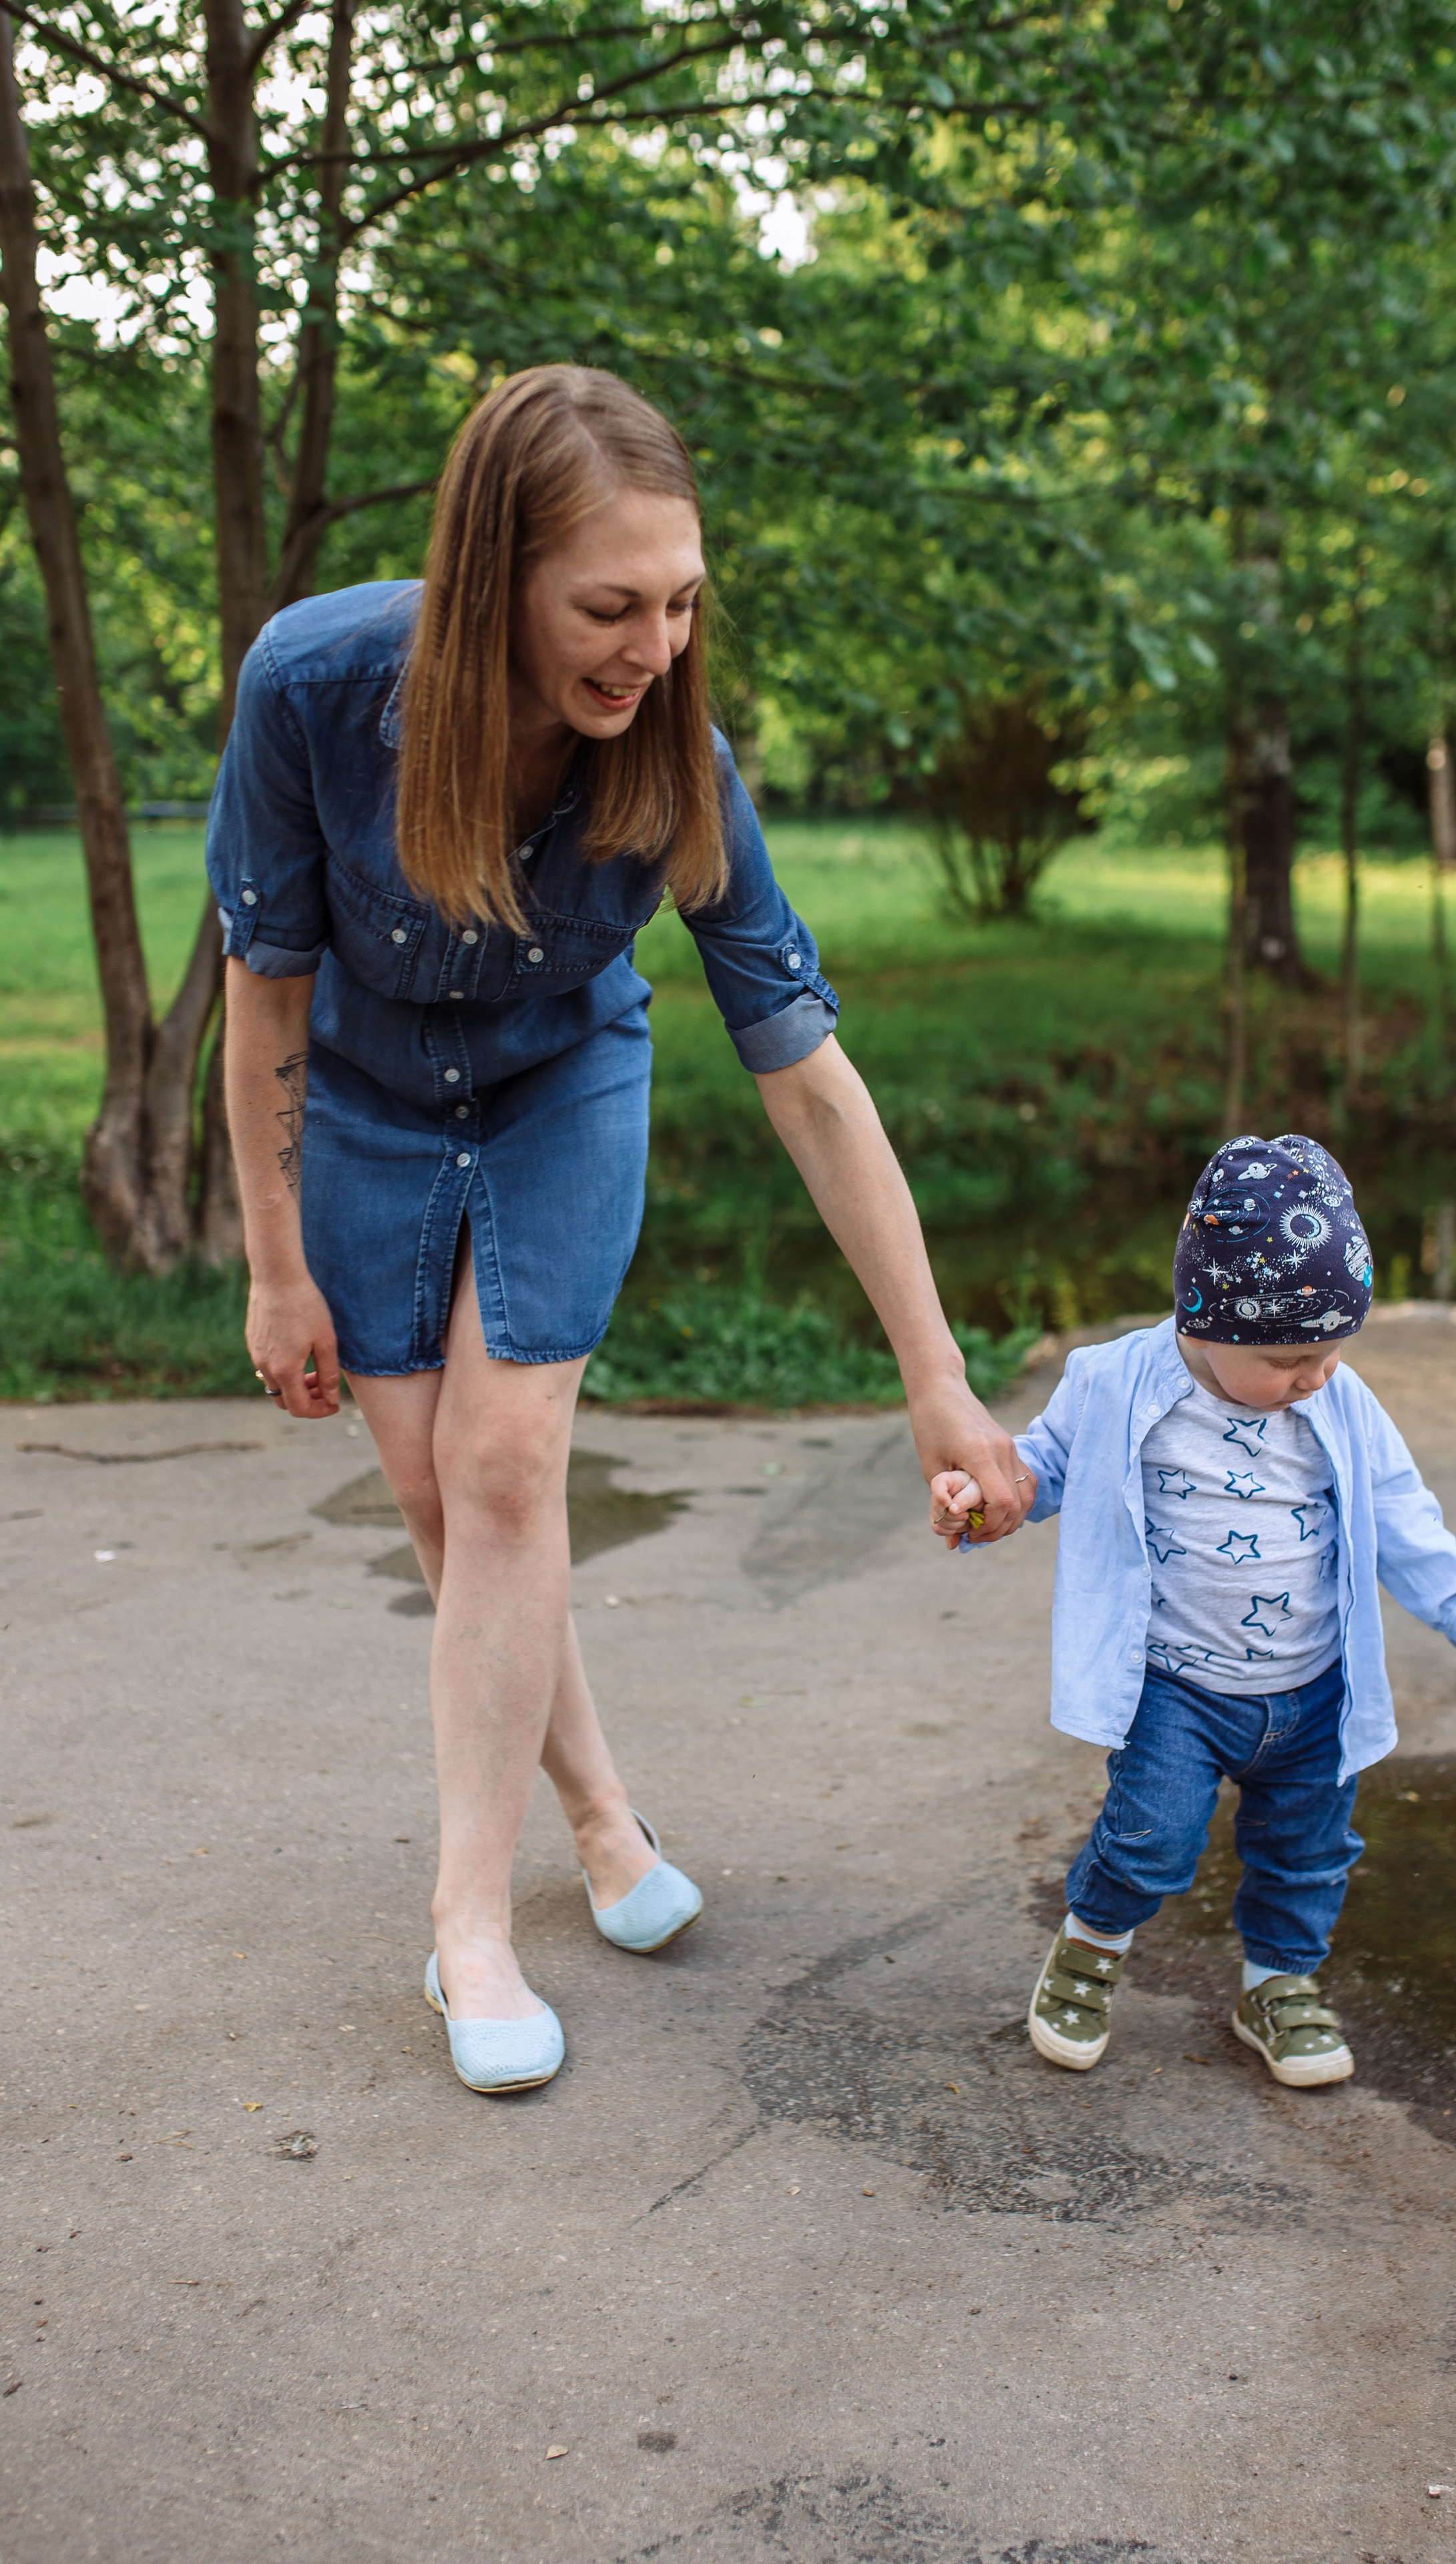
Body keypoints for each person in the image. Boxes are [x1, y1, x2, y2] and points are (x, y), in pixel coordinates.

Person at [210, 364, 1030, 2097]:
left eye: (680, 602)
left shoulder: (681, 765)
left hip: (562, 1081)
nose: (651, 646)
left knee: (509, 1467)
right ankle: (597, 1815)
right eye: (609, 605)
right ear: (493, 572)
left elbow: (809, 1078)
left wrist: (939, 1382)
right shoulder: (316, 689)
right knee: (450, 1499)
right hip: (354, 1103)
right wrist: (274, 1257)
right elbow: (266, 999)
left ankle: (467, 1931)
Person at [929, 1132, 1456, 2087]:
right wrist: (989, 1498)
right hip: (1175, 1686)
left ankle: (1278, 1984)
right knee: (1150, 1838)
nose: (1317, 1376)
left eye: (1332, 1352)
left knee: (1307, 1853)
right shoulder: (1117, 1382)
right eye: (1294, 1356)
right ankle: (1090, 1948)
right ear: (1206, 1318)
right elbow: (1042, 1467)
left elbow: (1400, 1515)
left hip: (1312, 1686)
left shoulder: (1339, 1403)